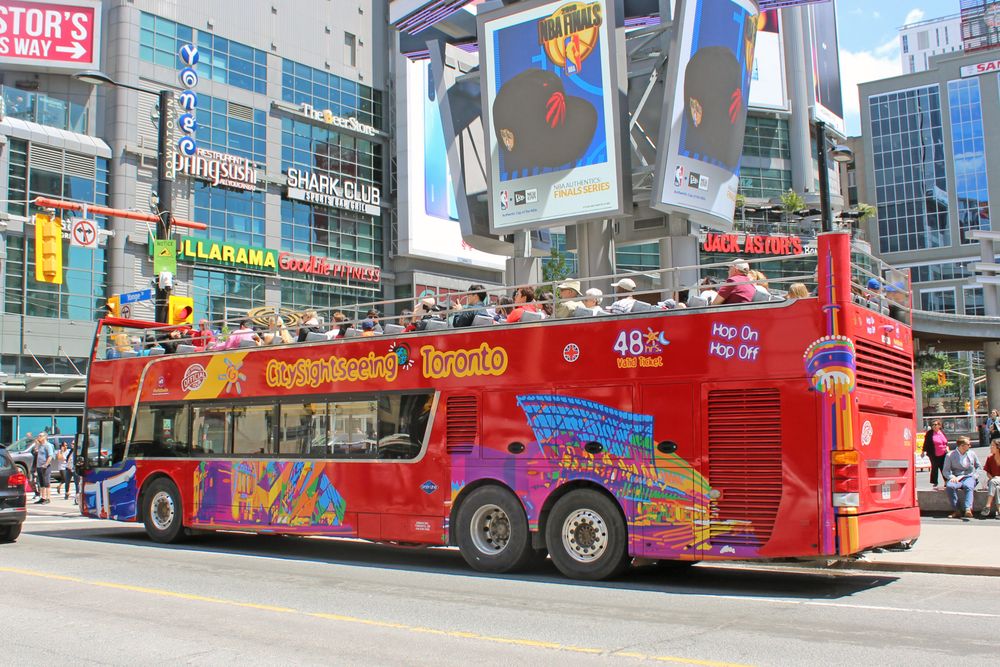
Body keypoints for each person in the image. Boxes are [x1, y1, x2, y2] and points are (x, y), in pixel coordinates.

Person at [943, 436, 981, 519]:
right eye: (968, 444)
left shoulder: (972, 453)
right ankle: (957, 510)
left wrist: (975, 476)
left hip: (969, 476)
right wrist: (951, 477)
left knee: (968, 486)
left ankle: (968, 509)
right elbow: (945, 471)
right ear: (962, 446)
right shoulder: (950, 455)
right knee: (950, 486)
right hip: (956, 477)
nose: (970, 446)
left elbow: (979, 467)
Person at [922, 419, 950, 489]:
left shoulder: (942, 432)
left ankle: (946, 481)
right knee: (935, 467)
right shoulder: (929, 433)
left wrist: (947, 447)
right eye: (932, 425)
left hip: (943, 453)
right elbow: (926, 443)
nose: (934, 426)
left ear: (939, 425)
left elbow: (945, 442)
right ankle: (935, 482)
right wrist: (923, 451)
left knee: (944, 467)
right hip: (933, 453)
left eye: (935, 424)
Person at [980, 439, 1000, 519]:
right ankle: (999, 511)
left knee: (993, 481)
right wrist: (993, 478)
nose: (990, 447)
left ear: (998, 447)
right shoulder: (990, 458)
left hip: (995, 480)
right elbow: (988, 473)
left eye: (993, 446)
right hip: (994, 481)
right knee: (997, 488)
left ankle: (987, 506)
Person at [34, 433, 54, 504]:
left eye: (40, 436)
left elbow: (50, 456)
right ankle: (43, 497)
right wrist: (36, 444)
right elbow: (36, 452)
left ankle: (48, 498)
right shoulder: (40, 445)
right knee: (41, 482)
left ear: (45, 437)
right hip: (39, 466)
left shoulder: (48, 445)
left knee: (46, 482)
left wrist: (46, 464)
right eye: (38, 435)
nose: (38, 437)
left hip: (45, 466)